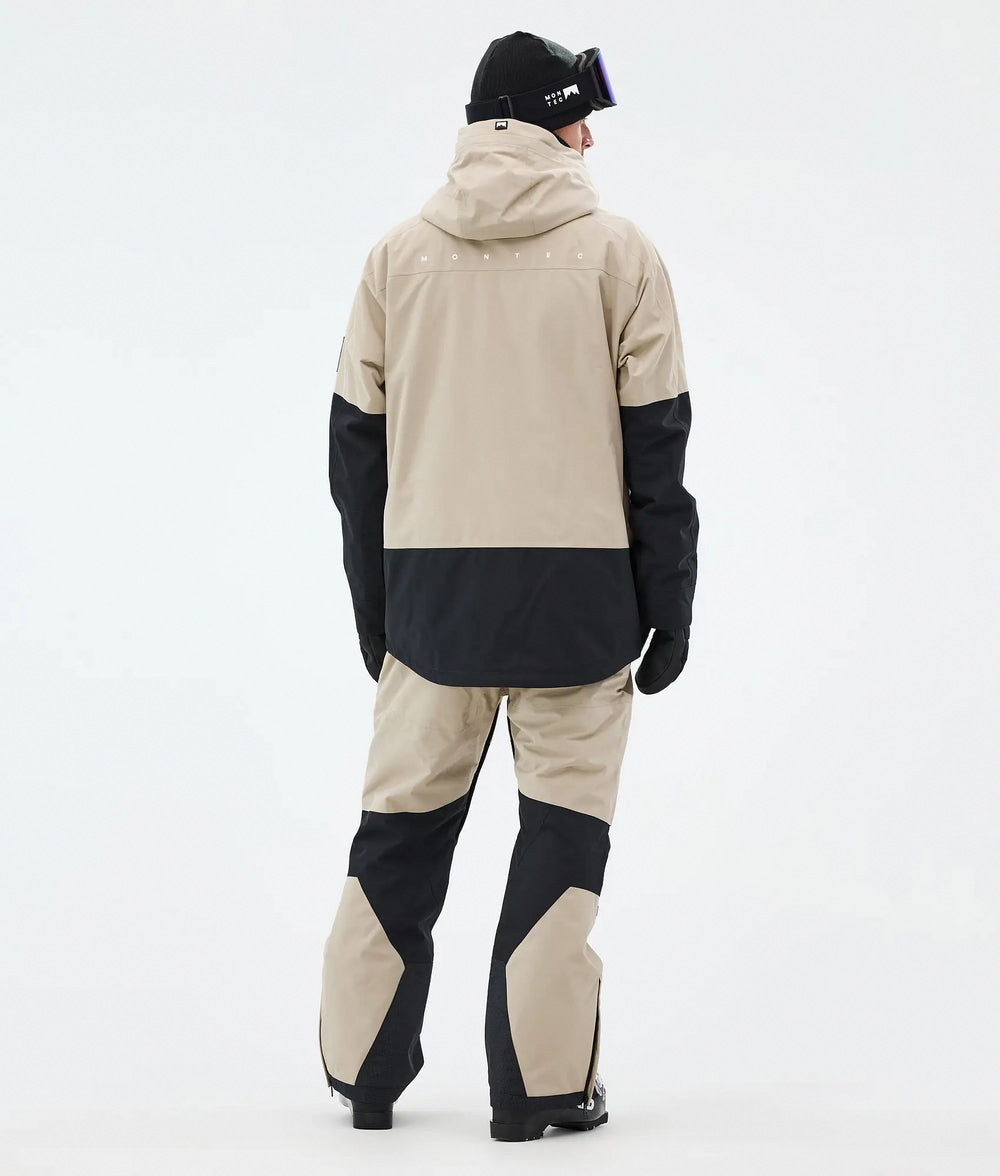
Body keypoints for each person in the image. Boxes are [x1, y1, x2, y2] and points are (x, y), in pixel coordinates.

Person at [318, 30, 698, 1143]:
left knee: (398, 834)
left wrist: (378, 612)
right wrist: (670, 605)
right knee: (562, 840)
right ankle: (539, 1090)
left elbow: (355, 459)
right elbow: (657, 452)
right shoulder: (621, 257)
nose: (589, 141)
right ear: (544, 120)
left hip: (431, 607)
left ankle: (362, 1077)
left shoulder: (395, 259)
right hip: (582, 613)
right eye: (579, 118)